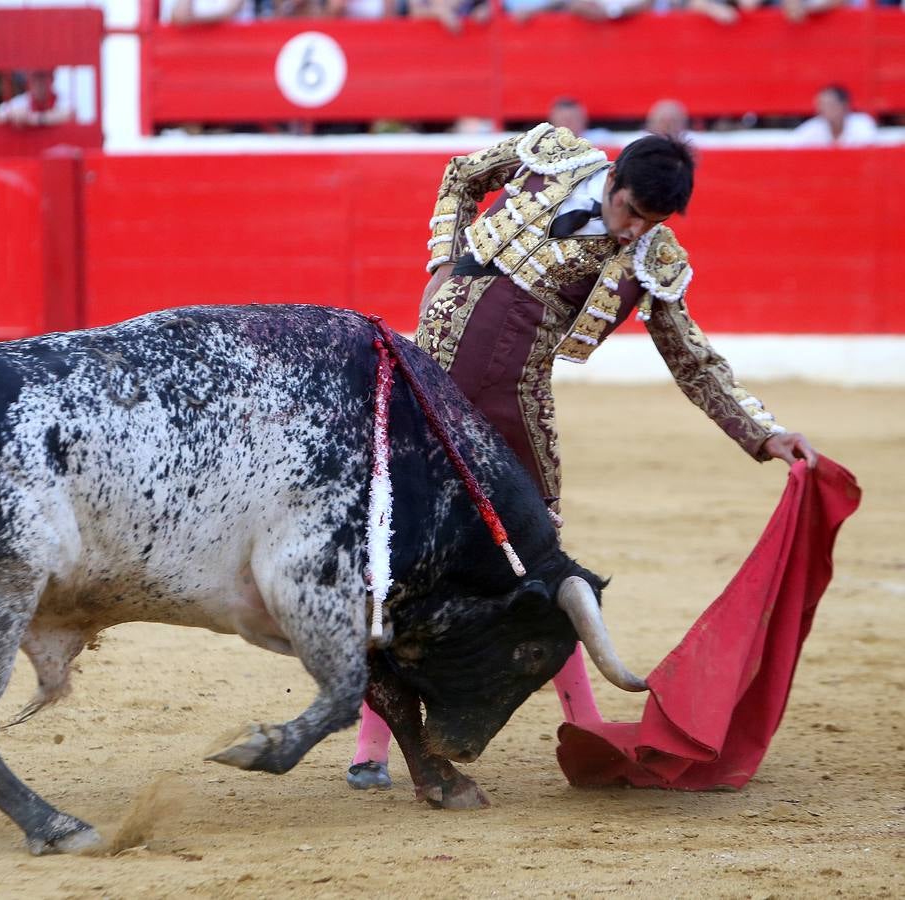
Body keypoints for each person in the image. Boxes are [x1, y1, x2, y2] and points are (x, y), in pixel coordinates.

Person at [345, 124, 819, 791]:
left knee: (543, 566)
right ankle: (373, 744)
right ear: (615, 176)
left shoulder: (652, 258)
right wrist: (443, 262)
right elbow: (460, 173)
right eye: (630, 212)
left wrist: (765, 433)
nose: (632, 233)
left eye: (649, 223)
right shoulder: (552, 154)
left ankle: (586, 722)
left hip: (516, 408)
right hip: (431, 380)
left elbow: (692, 358)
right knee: (400, 554)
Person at [792, 84, 878, 147]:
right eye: (821, 105)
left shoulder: (862, 125)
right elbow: (794, 145)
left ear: (844, 106)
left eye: (830, 104)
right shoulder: (812, 128)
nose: (823, 109)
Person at [0, 69, 71, 128]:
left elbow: (69, 115)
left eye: (42, 77)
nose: (38, 83)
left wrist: (35, 119)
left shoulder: (63, 99)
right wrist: (10, 115)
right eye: (34, 77)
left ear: (52, 78)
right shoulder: (22, 101)